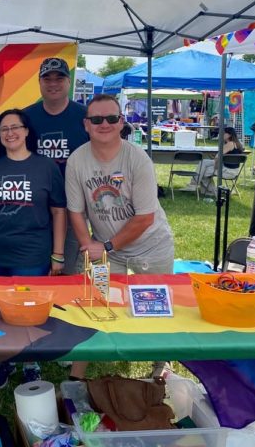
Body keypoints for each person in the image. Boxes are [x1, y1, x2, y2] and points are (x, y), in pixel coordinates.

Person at [65, 94, 174, 381]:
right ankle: (78, 374)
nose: (105, 124)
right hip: (105, 248)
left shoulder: (137, 158)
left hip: (150, 245)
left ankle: (161, 365)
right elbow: (76, 212)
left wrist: (106, 245)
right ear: (86, 124)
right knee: (95, 304)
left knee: (155, 308)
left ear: (121, 122)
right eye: (97, 119)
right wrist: (89, 246)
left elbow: (145, 217)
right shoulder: (77, 160)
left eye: (111, 118)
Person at [0, 109, 66, 388]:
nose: (10, 133)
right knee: (0, 309)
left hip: (32, 253)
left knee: (29, 309)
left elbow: (58, 213)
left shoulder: (46, 167)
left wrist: (58, 256)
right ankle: (6, 358)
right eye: (4, 129)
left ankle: (30, 361)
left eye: (15, 127)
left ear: (27, 131)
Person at [24, 57, 88, 275]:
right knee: (36, 270)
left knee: (68, 271)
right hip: (35, 209)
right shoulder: (26, 117)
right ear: (39, 83)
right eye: (47, 78)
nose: (53, 83)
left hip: (74, 208)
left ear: (69, 82)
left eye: (59, 78)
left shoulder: (85, 116)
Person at [184, 126, 245, 197]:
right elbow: (221, 157)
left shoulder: (229, 144)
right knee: (203, 162)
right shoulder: (237, 144)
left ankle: (198, 186)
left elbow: (217, 157)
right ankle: (206, 190)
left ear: (229, 135)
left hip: (227, 171)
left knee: (203, 171)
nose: (221, 134)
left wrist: (216, 167)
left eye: (223, 133)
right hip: (234, 170)